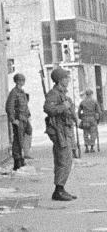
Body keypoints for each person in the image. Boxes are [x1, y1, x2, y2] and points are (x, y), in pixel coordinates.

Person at [44, 67, 78, 202]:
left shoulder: (64, 94)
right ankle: (58, 190)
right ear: (59, 80)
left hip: (66, 130)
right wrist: (64, 106)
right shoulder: (53, 93)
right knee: (63, 160)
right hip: (59, 131)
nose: (68, 80)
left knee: (67, 160)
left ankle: (61, 188)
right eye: (65, 78)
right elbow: (48, 109)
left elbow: (69, 109)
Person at [5, 73, 31, 170]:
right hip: (18, 119)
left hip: (24, 118)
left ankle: (23, 155)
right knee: (18, 140)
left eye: (23, 80)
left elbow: (25, 106)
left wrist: (28, 115)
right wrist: (13, 119)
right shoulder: (14, 92)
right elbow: (9, 107)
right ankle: (18, 161)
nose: (22, 82)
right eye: (20, 80)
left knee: (28, 133)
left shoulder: (22, 92)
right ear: (16, 81)